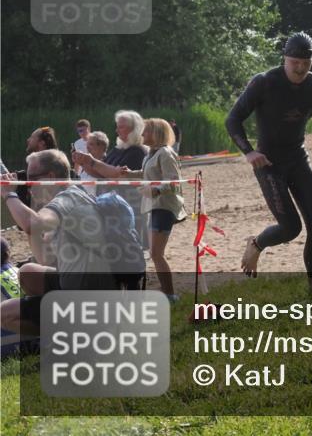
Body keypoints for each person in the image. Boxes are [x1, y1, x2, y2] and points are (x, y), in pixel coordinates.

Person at [225, 32, 312, 290]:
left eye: (305, 63)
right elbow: (232, 119)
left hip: (298, 159)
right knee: (290, 228)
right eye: (294, 62)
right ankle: (256, 244)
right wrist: (249, 152)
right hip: (268, 164)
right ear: (284, 58)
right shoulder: (264, 82)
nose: (299, 68)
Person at [1, 150, 116, 338]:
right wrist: (32, 228)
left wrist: (9, 195)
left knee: (5, 313)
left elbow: (32, 223)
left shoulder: (67, 199)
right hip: (85, 285)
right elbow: (45, 259)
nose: (28, 185)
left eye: (31, 178)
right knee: (28, 272)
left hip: (87, 296)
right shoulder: (73, 195)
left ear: (50, 177)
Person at [115, 119, 186, 301]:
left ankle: (170, 294)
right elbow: (146, 173)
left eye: (145, 131)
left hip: (163, 207)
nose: (142, 134)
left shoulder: (165, 153)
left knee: (156, 254)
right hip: (155, 207)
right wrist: (129, 173)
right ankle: (168, 292)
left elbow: (173, 182)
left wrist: (155, 190)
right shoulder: (152, 154)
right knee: (155, 254)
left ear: (156, 133)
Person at [73, 111, 148, 249]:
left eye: (121, 127)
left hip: (127, 208)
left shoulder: (138, 151)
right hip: (112, 206)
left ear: (134, 129)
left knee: (129, 247)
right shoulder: (118, 149)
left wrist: (91, 161)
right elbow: (100, 173)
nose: (117, 130)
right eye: (117, 126)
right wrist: (84, 162)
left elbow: (117, 175)